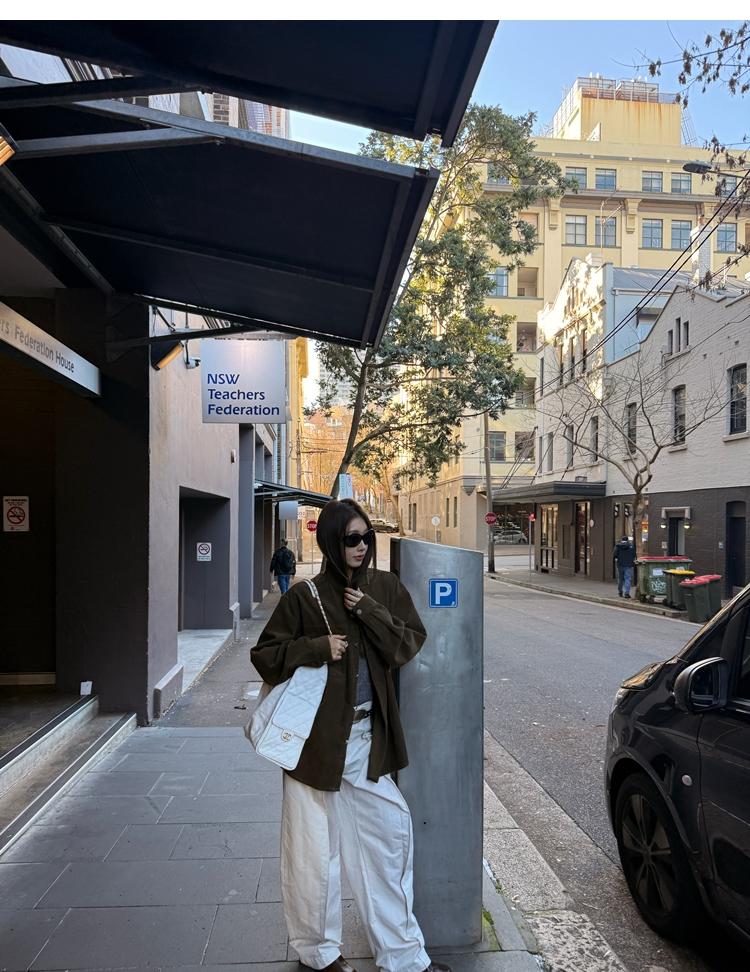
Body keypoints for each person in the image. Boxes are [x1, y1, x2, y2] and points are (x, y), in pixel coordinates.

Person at [252, 498, 448, 972]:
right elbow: (266, 657)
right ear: (330, 542)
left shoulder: (384, 587)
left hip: (366, 741)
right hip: (312, 746)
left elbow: (408, 645)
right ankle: (319, 954)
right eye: (351, 539)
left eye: (366, 537)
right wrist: (317, 648)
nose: (361, 546)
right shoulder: (304, 597)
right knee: (312, 854)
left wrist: (370, 612)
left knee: (388, 841)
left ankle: (403, 957)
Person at [613, 534, 636, 598]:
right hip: (628, 565)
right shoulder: (631, 546)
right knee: (627, 579)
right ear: (627, 540)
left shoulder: (617, 546)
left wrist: (616, 560)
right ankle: (627, 593)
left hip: (620, 565)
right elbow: (634, 555)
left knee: (620, 579)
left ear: (621, 540)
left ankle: (620, 592)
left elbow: (614, 555)